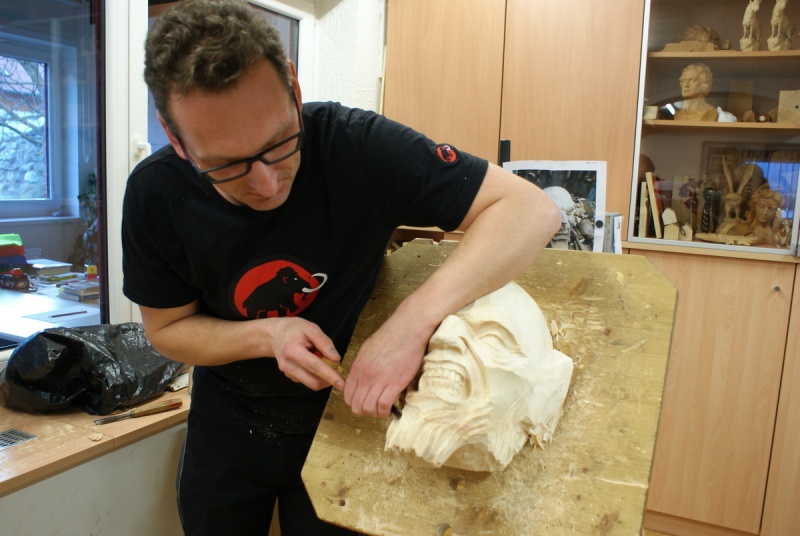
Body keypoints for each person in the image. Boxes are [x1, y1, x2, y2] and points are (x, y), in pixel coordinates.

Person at [121, 1, 560, 534]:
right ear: (176, 140)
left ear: (294, 89)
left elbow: (531, 210)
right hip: (230, 423)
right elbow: (167, 329)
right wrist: (269, 335)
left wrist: (411, 322)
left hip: (349, 416)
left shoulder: (357, 146)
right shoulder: (156, 194)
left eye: (279, 144)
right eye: (226, 166)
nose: (266, 184)